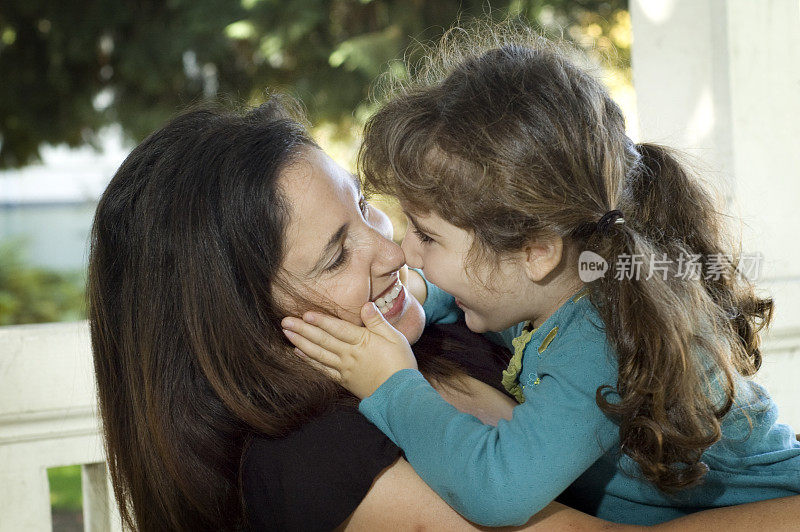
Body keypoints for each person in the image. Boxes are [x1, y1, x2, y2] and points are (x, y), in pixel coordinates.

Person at [280, 25, 800, 528]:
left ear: (535, 252)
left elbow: (497, 489)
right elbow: (484, 284)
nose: (403, 252)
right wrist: (420, 290)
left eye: (428, 237)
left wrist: (391, 384)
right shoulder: (567, 284)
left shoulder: (599, 343)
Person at [86, 97, 630, 531]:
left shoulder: (433, 333)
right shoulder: (315, 459)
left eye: (365, 204)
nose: (393, 252)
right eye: (336, 257)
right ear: (242, 330)